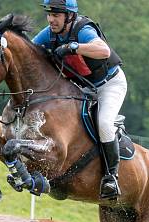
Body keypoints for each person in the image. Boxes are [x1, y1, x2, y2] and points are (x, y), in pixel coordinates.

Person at [32, 0, 127, 200]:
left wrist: (73, 47)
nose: (51, 19)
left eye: (56, 15)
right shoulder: (48, 34)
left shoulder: (83, 29)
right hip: (83, 87)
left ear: (70, 16)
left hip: (109, 85)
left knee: (103, 122)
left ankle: (111, 177)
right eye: (49, 14)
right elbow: (29, 50)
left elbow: (104, 51)